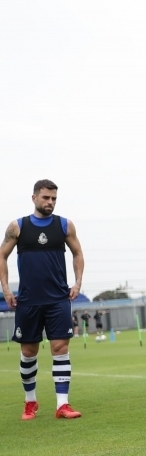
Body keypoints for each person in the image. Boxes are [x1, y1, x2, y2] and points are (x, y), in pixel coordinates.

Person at [0, 179, 85, 419]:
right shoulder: (18, 227)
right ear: (34, 198)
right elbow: (2, 256)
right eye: (46, 198)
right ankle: (30, 402)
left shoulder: (65, 225)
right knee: (28, 352)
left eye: (54, 198)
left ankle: (62, 405)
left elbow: (78, 253)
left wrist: (77, 283)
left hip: (58, 298)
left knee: (61, 348)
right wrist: (6, 289)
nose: (50, 202)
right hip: (28, 300)